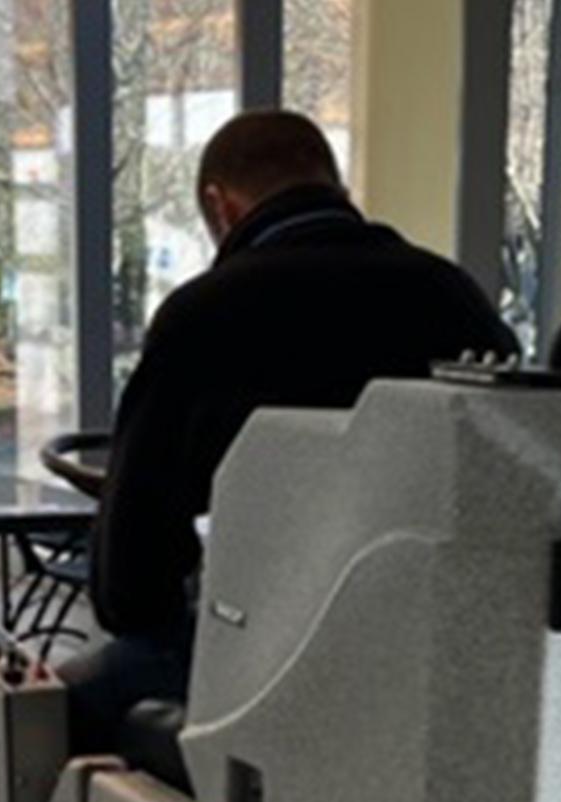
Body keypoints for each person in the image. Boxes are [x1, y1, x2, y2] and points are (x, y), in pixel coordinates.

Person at [61, 109, 519, 753]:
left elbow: (130, 586)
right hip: (436, 655)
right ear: (336, 186)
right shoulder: (454, 297)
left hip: (266, 658)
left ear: (221, 207)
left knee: (58, 701)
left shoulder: (205, 316)